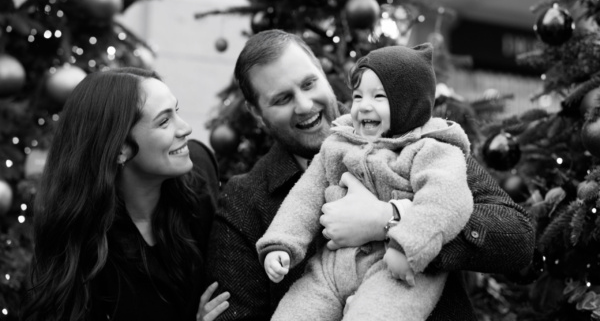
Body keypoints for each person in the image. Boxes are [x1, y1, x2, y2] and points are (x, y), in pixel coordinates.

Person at [207, 30, 536, 321]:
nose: (305, 105)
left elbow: (516, 238)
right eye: (282, 99)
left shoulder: (417, 136)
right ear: (255, 111)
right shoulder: (244, 201)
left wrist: (390, 219)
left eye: (309, 83)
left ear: (322, 71)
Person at [256, 43, 474, 321]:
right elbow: (305, 198)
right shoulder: (338, 144)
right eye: (358, 96)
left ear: (409, 104)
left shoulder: (432, 149)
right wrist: (281, 242)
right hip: (331, 269)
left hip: (395, 269)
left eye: (379, 96)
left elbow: (446, 200)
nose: (363, 106)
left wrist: (407, 246)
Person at [21, 68, 229, 321]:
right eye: (164, 121)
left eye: (177, 111)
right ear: (119, 149)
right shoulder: (82, 251)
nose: (185, 128)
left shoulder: (200, 171)